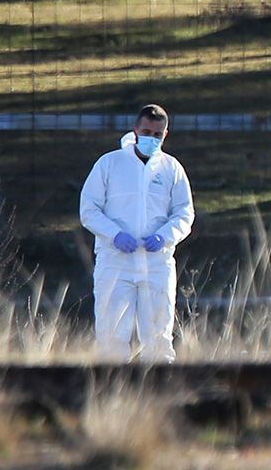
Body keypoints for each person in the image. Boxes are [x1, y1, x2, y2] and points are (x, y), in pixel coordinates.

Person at [80, 104, 195, 362]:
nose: (151, 138)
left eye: (157, 134)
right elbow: (89, 209)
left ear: (165, 135)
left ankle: (159, 395)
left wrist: (165, 236)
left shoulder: (171, 169)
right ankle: (112, 394)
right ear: (135, 129)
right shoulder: (110, 164)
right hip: (115, 262)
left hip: (156, 264)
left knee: (159, 339)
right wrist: (114, 234)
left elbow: (184, 213)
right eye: (146, 131)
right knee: (111, 338)